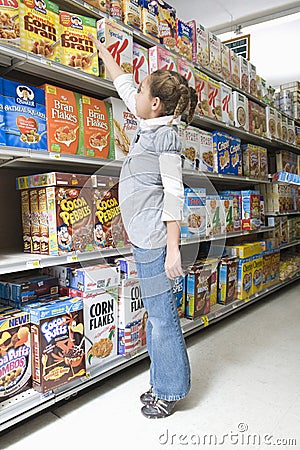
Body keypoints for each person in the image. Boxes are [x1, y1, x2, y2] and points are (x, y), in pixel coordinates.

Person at [89, 33, 198, 419]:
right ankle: (160, 382)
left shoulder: (165, 137)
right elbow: (124, 85)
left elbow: (174, 195)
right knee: (156, 314)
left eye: (142, 92)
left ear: (154, 105)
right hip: (143, 238)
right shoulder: (150, 124)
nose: (133, 96)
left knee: (162, 317)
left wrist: (172, 248)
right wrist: (104, 51)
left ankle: (170, 390)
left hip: (155, 241)